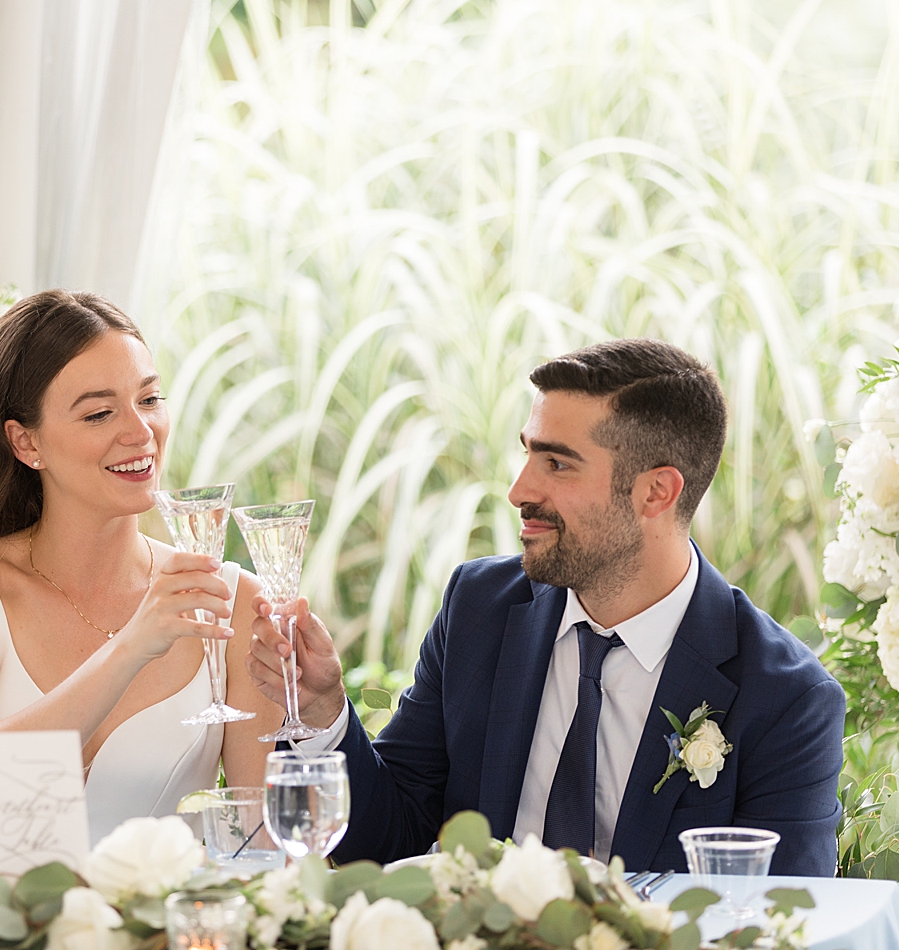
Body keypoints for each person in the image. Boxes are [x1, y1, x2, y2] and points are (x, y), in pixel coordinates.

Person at [248, 339, 846, 874]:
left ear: (656, 492)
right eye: (529, 453)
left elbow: (779, 922)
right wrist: (325, 710)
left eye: (556, 463)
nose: (519, 491)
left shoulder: (785, 699)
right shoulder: (477, 610)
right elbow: (389, 840)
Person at [0, 290, 278, 842]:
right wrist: (131, 647)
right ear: (25, 441)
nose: (140, 431)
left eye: (149, 399)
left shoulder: (229, 599)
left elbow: (265, 842)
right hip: (1, 924)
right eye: (100, 412)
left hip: (174, 924)